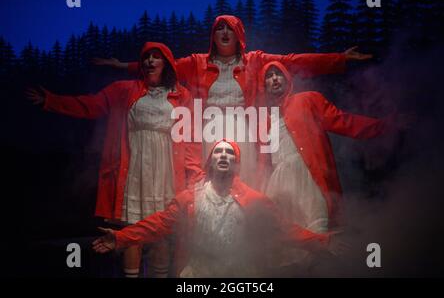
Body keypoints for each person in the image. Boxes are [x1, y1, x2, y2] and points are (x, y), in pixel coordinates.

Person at [93, 15, 372, 190]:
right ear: (212, 36)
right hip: (208, 131)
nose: (224, 33)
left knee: (245, 182)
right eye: (218, 29)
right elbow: (164, 68)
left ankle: (244, 247)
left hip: (245, 132)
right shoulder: (197, 62)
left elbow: (293, 61)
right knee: (207, 185)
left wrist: (339, 59)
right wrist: (124, 66)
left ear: (239, 35)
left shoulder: (254, 60)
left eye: (229, 28)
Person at [26, 42, 203, 278]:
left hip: (168, 172)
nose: (150, 61)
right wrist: (52, 101)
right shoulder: (124, 89)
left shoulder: (183, 95)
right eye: (146, 57)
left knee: (162, 230)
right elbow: (90, 105)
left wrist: (195, 173)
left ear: (167, 63)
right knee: (132, 231)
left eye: (156, 57)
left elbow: (190, 138)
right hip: (135, 170)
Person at [92, 140, 344, 277]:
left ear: (237, 164)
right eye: (218, 152)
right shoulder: (189, 198)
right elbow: (156, 225)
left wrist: (322, 242)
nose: (223, 156)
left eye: (230, 154)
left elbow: (285, 230)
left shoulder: (255, 200)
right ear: (210, 162)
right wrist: (121, 238)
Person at [259, 61, 412, 271]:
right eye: (269, 76)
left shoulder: (308, 100)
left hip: (308, 181)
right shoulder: (264, 121)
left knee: (319, 246)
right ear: (263, 86)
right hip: (278, 187)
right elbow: (262, 165)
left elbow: (344, 121)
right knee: (284, 251)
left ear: (288, 79)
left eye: (279, 74)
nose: (274, 79)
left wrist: (386, 125)